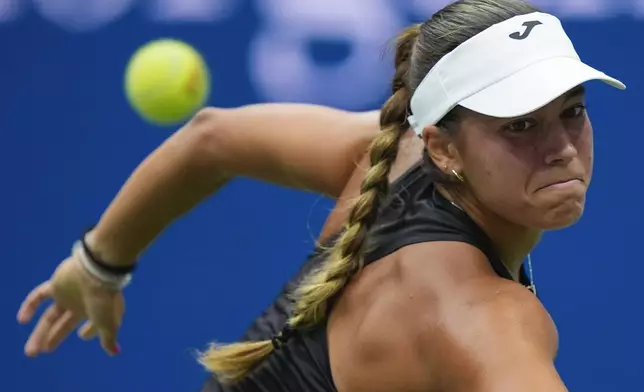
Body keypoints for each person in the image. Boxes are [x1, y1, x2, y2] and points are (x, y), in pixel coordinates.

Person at [17, 0, 625, 390]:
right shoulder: (486, 319)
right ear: (444, 147)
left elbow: (214, 137)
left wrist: (99, 263)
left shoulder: (396, 152)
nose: (562, 148)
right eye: (518, 124)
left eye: (572, 111)